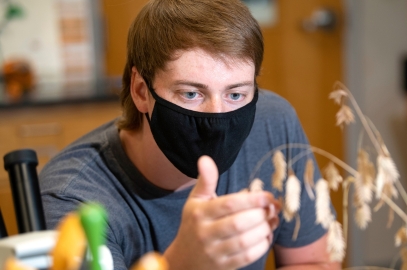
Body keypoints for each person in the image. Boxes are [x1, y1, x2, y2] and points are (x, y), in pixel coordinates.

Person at [40, 0, 340, 269]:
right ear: (141, 91)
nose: (218, 115)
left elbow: (314, 261)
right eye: (191, 93)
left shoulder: (271, 123)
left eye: (235, 94)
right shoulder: (73, 199)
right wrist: (181, 263)